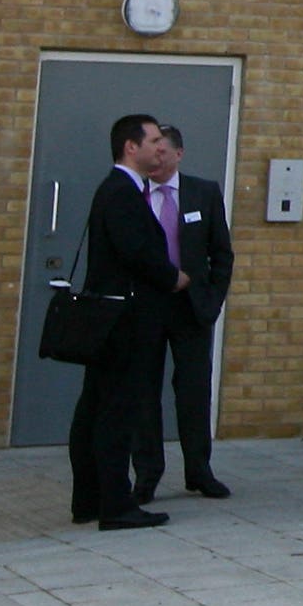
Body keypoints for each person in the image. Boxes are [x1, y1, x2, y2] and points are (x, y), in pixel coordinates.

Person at [68, 114, 182, 531]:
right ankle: (114, 503)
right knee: (114, 412)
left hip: (117, 318)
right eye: (153, 140)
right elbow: (135, 250)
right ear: (131, 147)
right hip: (124, 321)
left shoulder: (121, 190)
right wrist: (173, 276)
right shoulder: (121, 191)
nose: (160, 146)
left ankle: (91, 499)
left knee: (97, 408)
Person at [130, 125, 235, 503]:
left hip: (191, 306)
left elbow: (221, 253)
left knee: (193, 389)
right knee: (144, 391)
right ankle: (147, 473)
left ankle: (199, 470)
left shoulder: (202, 193)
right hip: (146, 306)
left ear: (178, 154)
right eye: (151, 152)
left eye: (163, 153)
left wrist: (212, 300)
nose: (155, 160)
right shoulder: (134, 192)